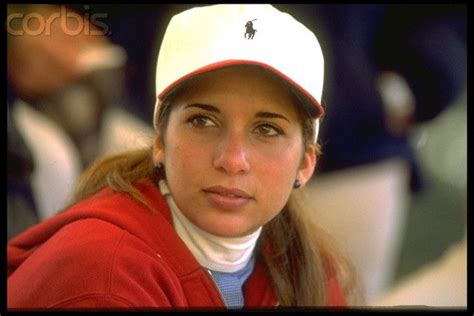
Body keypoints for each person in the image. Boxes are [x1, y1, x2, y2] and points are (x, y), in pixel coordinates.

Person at [7, 4, 360, 309]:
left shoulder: (307, 268)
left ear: (306, 162)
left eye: (267, 130)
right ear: (160, 142)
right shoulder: (103, 276)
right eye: (203, 121)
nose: (233, 159)